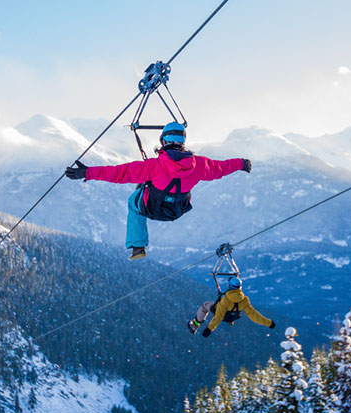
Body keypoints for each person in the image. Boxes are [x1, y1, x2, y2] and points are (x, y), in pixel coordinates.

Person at [65, 122, 251, 260]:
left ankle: (138, 247)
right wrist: (241, 163)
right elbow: (221, 167)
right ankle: (138, 245)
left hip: (151, 208)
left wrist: (88, 172)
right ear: (183, 142)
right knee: (147, 193)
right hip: (176, 210)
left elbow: (119, 173)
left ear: (163, 141)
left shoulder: (154, 166)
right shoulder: (200, 165)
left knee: (133, 202)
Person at [187, 276, 276, 337]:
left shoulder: (226, 300)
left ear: (229, 286)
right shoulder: (244, 300)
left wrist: (209, 329)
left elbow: (218, 316)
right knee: (230, 311)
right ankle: (230, 320)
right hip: (233, 317)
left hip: (223, 314)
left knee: (205, 306)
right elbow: (254, 315)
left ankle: (195, 325)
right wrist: (268, 323)